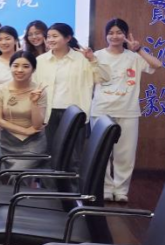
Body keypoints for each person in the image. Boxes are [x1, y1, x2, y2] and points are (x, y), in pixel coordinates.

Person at [92, 19, 162, 203]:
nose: (115, 36)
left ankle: (121, 190)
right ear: (105, 35)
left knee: (125, 154)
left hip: (128, 110)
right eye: (111, 33)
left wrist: (139, 49)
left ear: (125, 35)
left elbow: (157, 65)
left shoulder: (134, 57)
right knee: (102, 152)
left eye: (119, 32)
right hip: (101, 110)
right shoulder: (97, 56)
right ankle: (106, 188)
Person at [34, 23, 111, 155]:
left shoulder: (83, 59)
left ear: (68, 38)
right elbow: (34, 86)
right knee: (51, 154)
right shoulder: (40, 60)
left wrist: (92, 59)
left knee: (74, 156)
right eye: (48, 36)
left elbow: (104, 78)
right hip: (48, 113)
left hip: (75, 113)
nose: (50, 39)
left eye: (55, 36)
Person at [0, 51, 47, 169]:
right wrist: (25, 131)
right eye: (15, 66)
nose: (20, 70)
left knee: (15, 173)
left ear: (33, 69)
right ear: (10, 67)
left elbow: (37, 125)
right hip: (7, 142)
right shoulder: (0, 90)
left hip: (33, 143)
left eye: (26, 66)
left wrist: (34, 102)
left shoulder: (39, 91)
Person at [0, 26, 20, 97]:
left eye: (7, 39)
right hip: (0, 101)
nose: (3, 42)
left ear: (16, 41)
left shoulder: (24, 60)